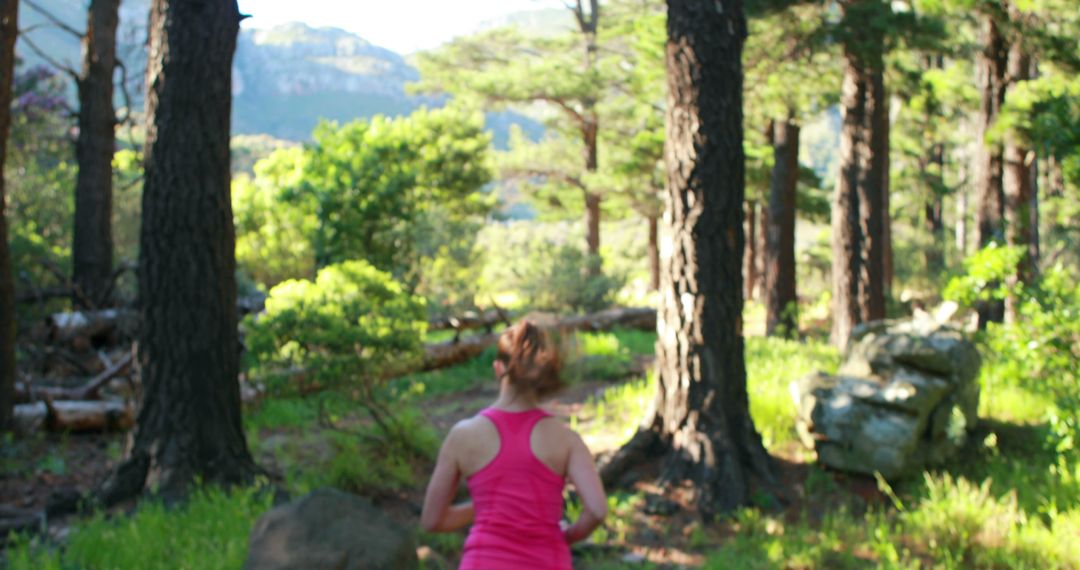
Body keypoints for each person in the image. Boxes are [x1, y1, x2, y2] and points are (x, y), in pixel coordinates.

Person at [420, 320, 607, 569]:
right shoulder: (566, 439)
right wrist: (568, 535)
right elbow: (596, 510)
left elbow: (433, 520)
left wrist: (488, 507)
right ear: (544, 373)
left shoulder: (463, 435)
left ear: (498, 368)